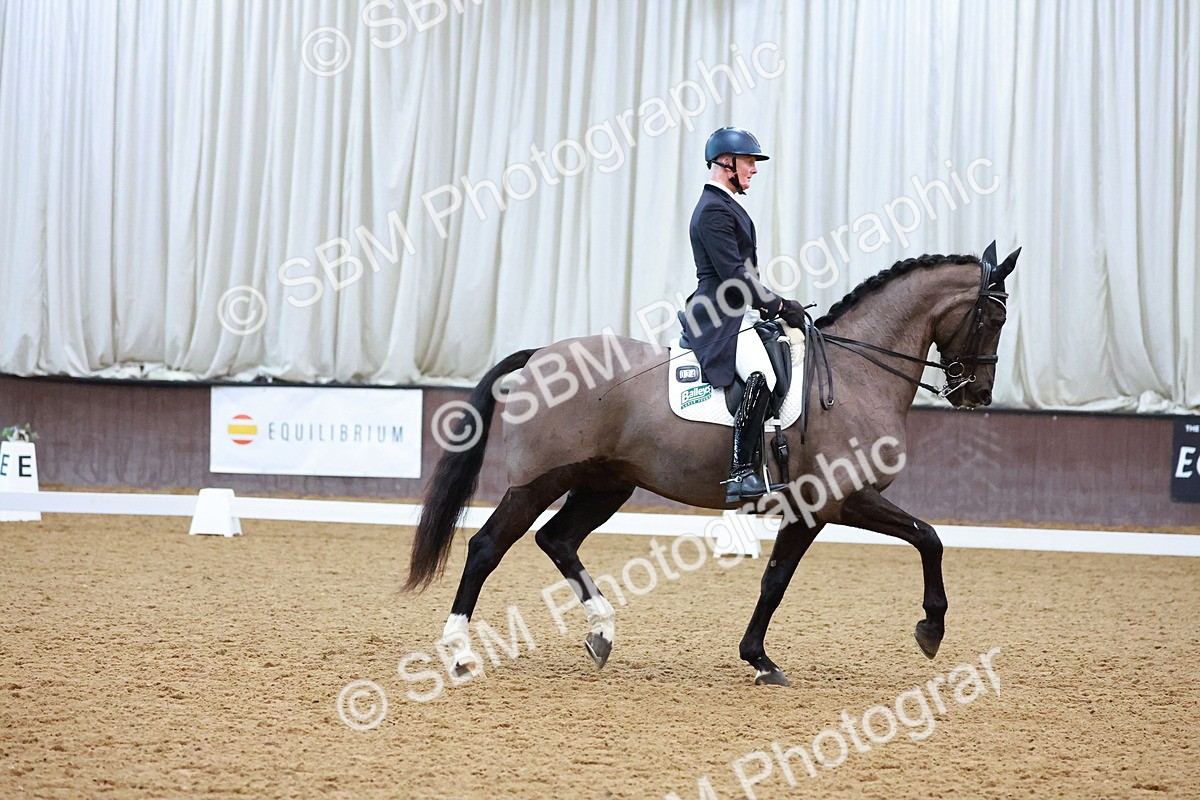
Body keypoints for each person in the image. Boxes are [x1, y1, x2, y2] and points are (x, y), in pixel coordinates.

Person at [682, 127, 806, 503]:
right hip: (718, 315)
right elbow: (735, 276)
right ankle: (740, 471)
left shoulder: (726, 205)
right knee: (762, 374)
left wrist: (770, 306)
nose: (754, 169)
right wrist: (779, 305)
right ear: (726, 163)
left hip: (735, 310)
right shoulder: (713, 210)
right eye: (749, 161)